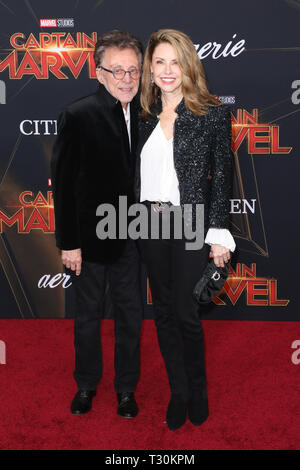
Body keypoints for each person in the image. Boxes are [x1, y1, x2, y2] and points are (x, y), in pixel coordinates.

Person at [136, 29, 236, 430]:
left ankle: (198, 389)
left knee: (185, 314)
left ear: (188, 64)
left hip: (190, 222)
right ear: (150, 68)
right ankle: (178, 390)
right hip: (148, 223)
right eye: (159, 62)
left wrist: (218, 236)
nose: (167, 70)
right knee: (161, 313)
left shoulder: (212, 114)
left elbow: (222, 181)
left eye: (175, 61)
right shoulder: (140, 115)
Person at [51, 30, 143, 418]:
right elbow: (64, 185)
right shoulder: (79, 114)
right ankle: (86, 385)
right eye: (117, 70)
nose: (126, 79)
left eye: (133, 71)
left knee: (131, 319)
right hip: (88, 241)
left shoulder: (148, 114)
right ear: (98, 72)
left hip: (133, 237)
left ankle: (126, 389)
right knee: (87, 318)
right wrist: (69, 243)